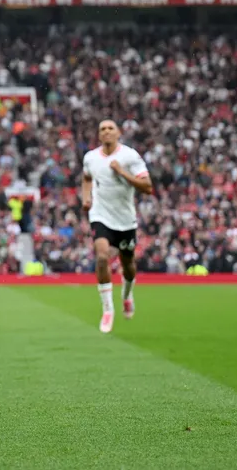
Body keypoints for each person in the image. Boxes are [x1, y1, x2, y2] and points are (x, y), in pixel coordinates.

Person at [81, 119, 153, 333]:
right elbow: (86, 177)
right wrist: (86, 198)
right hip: (100, 215)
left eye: (110, 128)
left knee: (128, 264)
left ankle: (127, 295)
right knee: (102, 255)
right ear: (99, 134)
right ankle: (107, 308)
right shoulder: (91, 157)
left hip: (125, 220)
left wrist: (121, 172)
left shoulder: (129, 156)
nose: (106, 131)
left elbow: (148, 187)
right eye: (102, 128)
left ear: (118, 133)